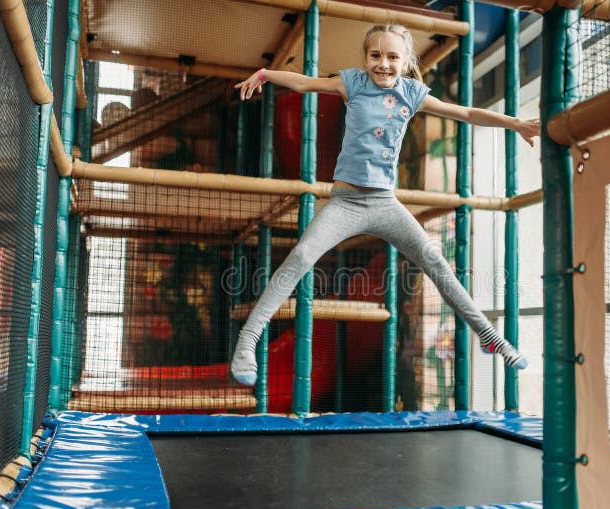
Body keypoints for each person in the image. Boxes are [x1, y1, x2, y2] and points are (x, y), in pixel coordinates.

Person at [231, 24, 540, 386]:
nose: (383, 64)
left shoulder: (412, 93)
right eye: (375, 56)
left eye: (393, 57)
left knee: (435, 261)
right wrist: (266, 74)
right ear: (365, 59)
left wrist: (515, 123)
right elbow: (305, 82)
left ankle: (490, 336)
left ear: (406, 61)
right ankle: (247, 340)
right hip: (345, 203)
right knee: (301, 257)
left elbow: (467, 114)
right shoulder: (353, 84)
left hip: (384, 203)